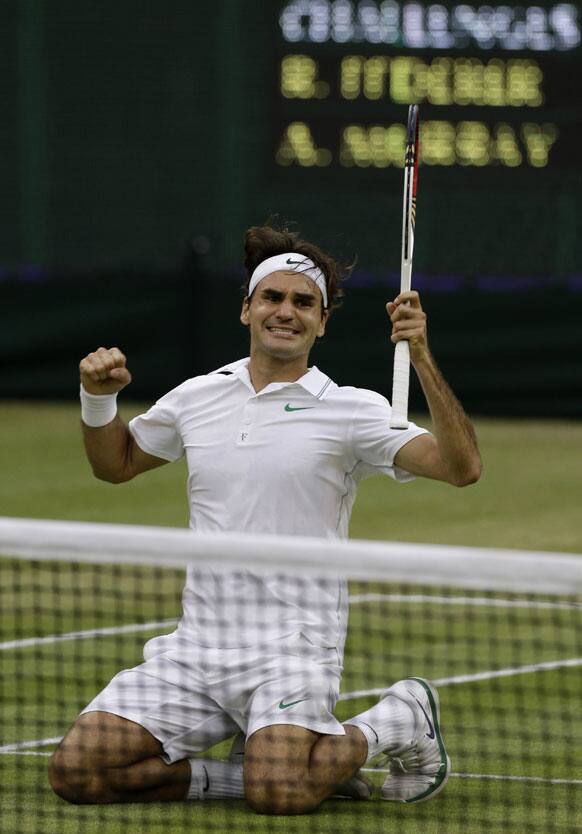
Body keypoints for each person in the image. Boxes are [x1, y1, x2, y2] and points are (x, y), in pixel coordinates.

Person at [48, 224, 481, 814]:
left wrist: (423, 356)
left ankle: (395, 718)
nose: (287, 311)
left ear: (321, 322)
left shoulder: (351, 409)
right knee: (77, 772)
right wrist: (97, 398)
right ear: (247, 309)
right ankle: (251, 770)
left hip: (293, 649)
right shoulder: (198, 396)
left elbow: (461, 467)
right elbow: (115, 464)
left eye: (304, 303)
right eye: (273, 298)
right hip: (196, 649)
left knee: (280, 795)